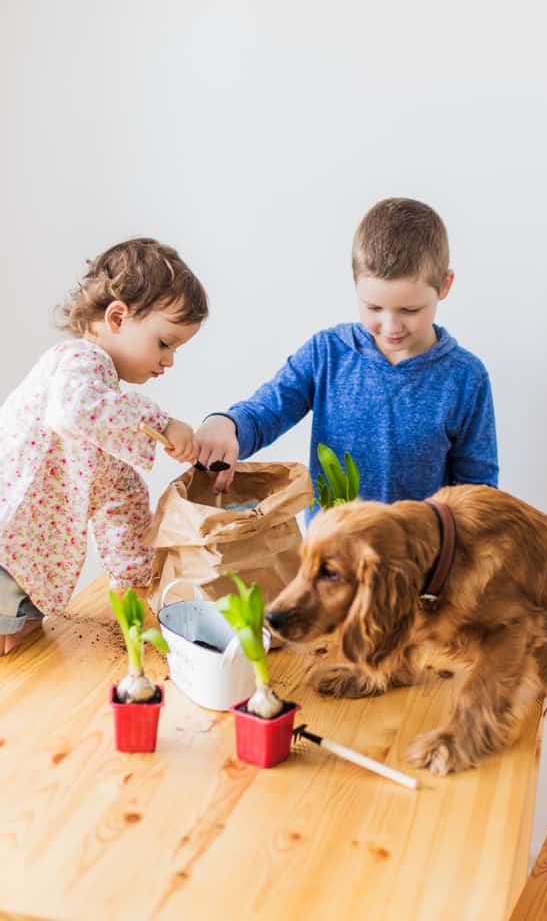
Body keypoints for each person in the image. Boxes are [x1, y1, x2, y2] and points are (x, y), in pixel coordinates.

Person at [196, 197, 498, 511]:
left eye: (410, 309)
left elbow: (479, 492)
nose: (391, 325)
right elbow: (266, 412)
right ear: (355, 285)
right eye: (374, 307)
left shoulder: (465, 377)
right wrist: (226, 424)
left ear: (445, 285)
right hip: (332, 555)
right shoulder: (326, 354)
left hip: (420, 558)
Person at [0, 238, 208, 655]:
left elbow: (123, 495)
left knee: (22, 651)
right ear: (116, 316)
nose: (168, 362)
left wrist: (132, 575)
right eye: (164, 343)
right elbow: (75, 411)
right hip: (8, 543)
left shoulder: (108, 419)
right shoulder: (80, 362)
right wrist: (161, 423)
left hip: (26, 568)